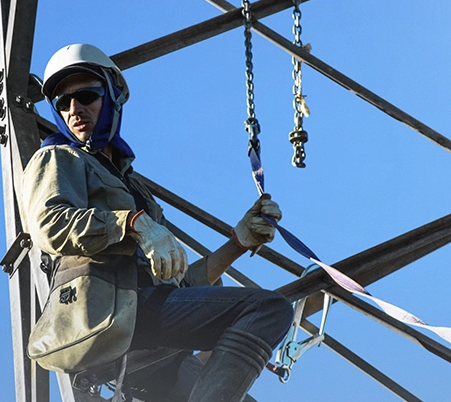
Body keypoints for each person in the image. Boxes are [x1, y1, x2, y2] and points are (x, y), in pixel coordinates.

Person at [18, 43, 293, 402]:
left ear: (113, 97)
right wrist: (133, 225)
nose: (75, 109)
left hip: (150, 327)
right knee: (268, 309)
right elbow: (49, 225)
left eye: (86, 95)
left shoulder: (137, 190)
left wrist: (235, 245)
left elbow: (178, 285)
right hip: (109, 317)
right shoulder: (57, 157)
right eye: (63, 103)